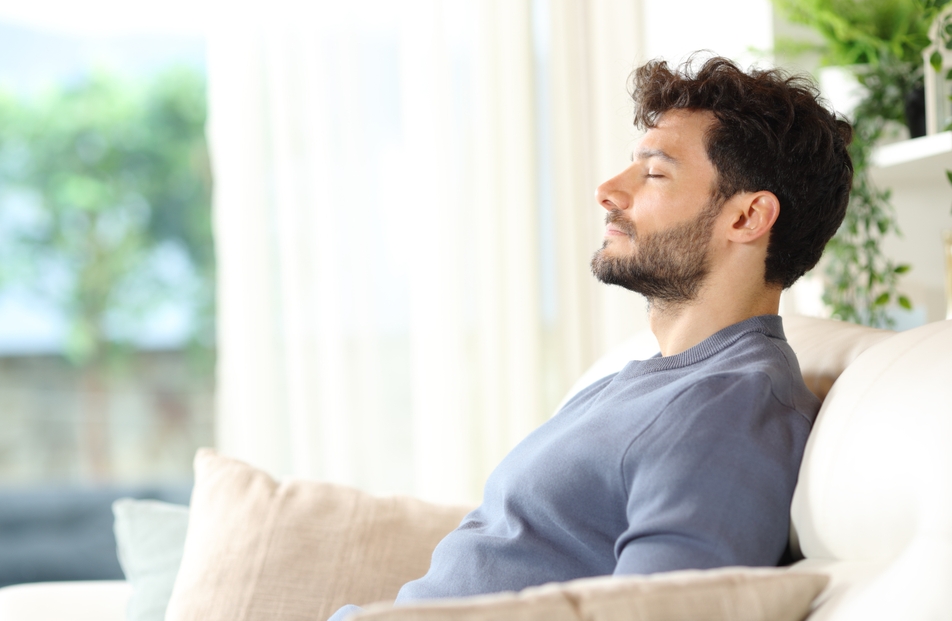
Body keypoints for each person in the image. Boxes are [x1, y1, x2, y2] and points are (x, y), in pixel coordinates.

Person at [328, 55, 853, 619]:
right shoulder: (646, 377)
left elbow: (661, 610)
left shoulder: (729, 407)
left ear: (747, 218)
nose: (607, 190)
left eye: (654, 173)